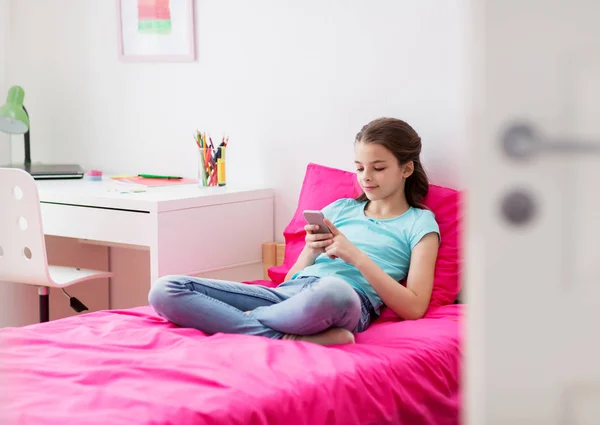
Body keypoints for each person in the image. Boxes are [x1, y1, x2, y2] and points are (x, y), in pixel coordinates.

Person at [148, 117, 440, 346]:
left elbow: (414, 307)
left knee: (332, 291)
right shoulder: (340, 208)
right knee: (166, 289)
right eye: (360, 167)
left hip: (346, 300)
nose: (365, 177)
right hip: (289, 297)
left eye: (378, 168)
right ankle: (283, 335)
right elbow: (289, 281)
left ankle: (242, 322)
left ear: (406, 169)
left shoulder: (419, 223)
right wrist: (312, 251)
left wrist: (357, 257)